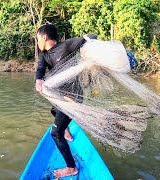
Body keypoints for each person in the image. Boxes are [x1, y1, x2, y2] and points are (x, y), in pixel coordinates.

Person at [35, 24, 95, 178]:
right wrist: (38, 80)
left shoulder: (67, 46)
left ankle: (71, 168)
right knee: (54, 109)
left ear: (44, 37)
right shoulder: (44, 56)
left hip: (72, 98)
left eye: (37, 38)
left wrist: (93, 45)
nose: (37, 42)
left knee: (55, 133)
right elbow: (40, 70)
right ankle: (65, 128)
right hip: (60, 97)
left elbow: (90, 38)